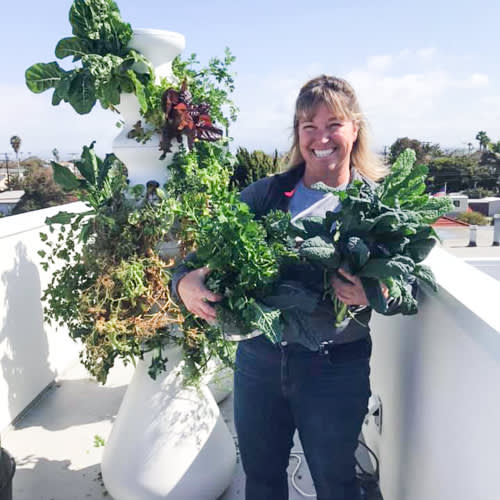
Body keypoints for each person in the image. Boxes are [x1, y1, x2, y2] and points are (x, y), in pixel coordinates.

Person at [173, 75, 393, 500]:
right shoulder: (267, 194)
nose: (321, 138)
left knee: (336, 483)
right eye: (309, 126)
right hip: (260, 361)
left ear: (355, 129)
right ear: (297, 133)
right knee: (261, 481)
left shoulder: (377, 205)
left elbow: (406, 285)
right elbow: (197, 260)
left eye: (334, 124)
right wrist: (184, 283)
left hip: (335, 367)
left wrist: (373, 292)